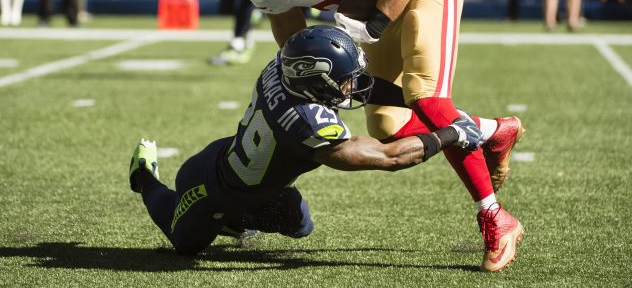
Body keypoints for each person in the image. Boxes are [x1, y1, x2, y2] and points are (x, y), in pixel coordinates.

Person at [217, 0, 525, 272]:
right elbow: (295, 45)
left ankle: (495, 216)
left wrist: (371, 29)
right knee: (387, 127)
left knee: (425, 97)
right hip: (371, 19)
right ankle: (490, 130)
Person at [129, 25, 485, 255]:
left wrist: (416, 102)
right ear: (312, 79)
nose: (352, 88)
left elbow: (362, 84)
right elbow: (389, 157)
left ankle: (236, 221)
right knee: (186, 245)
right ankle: (144, 176)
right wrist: (451, 133)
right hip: (214, 187)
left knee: (300, 225)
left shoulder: (283, 65)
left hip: (241, 164)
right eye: (344, 81)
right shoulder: (305, 122)